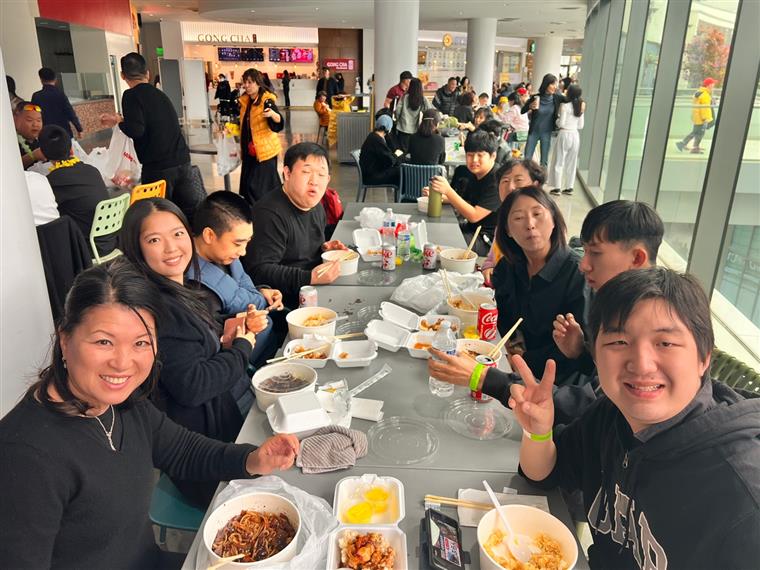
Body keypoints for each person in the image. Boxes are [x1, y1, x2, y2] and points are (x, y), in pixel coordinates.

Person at [0, 259, 299, 568]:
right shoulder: (24, 456)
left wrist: (253, 459)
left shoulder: (122, 403)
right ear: (65, 340)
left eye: (141, 342)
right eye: (104, 341)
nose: (122, 363)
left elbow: (184, 451)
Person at [511, 267, 760, 568]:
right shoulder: (609, 416)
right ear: (595, 355)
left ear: (704, 358)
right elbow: (545, 474)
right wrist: (537, 431)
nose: (642, 365)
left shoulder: (743, 496)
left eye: (665, 343)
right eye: (619, 342)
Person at [120, 198, 262, 504]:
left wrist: (224, 332)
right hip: (207, 458)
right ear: (137, 248)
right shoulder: (159, 308)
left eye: (177, 234)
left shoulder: (178, 289)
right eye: (154, 240)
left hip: (221, 427)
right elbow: (194, 386)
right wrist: (242, 346)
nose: (171, 248)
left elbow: (190, 349)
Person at [478, 188, 585, 381]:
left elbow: (579, 351)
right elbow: (502, 316)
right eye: (518, 218)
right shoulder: (509, 265)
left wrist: (522, 359)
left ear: (554, 220)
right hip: (508, 363)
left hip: (558, 381)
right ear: (507, 230)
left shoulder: (578, 275)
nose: (530, 225)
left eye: (537, 214)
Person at [242, 142, 348, 308]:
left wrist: (325, 248)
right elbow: (259, 270)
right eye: (306, 172)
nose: (314, 181)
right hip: (286, 305)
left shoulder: (315, 205)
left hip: (317, 291)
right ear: (287, 173)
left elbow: (301, 250)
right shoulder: (269, 214)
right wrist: (310, 277)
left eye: (321, 174)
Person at [186, 191, 285, 369]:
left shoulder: (223, 255)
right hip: (245, 364)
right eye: (238, 243)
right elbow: (211, 340)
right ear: (209, 235)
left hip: (270, 344)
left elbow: (239, 285)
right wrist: (245, 324)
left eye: (247, 242)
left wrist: (262, 292)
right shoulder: (193, 284)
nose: (243, 252)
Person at [100, 53, 200, 222]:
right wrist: (120, 120)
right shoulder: (159, 94)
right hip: (182, 160)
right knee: (187, 213)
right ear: (147, 73)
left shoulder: (130, 95)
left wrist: (119, 122)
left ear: (122, 75)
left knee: (158, 214)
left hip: (159, 167)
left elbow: (136, 130)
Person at [39, 124, 113, 255]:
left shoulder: (52, 181)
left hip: (87, 249)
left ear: (43, 154)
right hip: (112, 240)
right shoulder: (92, 170)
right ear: (71, 150)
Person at [425, 130, 501, 255]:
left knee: (439, 243)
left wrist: (448, 191)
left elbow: (474, 215)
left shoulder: (498, 180)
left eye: (480, 155)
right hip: (471, 229)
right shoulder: (475, 173)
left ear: (493, 156)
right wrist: (441, 196)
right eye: (470, 155)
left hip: (487, 241)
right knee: (434, 231)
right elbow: (467, 203)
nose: (474, 160)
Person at [237, 67, 284, 205]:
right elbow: (245, 123)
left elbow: (279, 124)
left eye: (250, 82)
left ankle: (262, 211)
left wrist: (273, 114)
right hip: (249, 151)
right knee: (250, 186)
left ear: (258, 83)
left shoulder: (266, 101)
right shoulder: (245, 101)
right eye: (245, 82)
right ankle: (259, 210)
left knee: (255, 186)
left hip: (264, 152)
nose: (246, 85)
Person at [547, 83, 585, 195]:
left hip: (564, 134)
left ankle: (557, 187)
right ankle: (569, 187)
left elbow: (561, 123)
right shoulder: (581, 107)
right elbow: (581, 125)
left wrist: (557, 120)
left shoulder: (564, 106)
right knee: (572, 162)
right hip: (575, 135)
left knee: (559, 161)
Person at [522, 73, 563, 168]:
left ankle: (542, 177)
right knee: (527, 159)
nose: (555, 87)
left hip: (547, 133)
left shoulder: (556, 98)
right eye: (552, 84)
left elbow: (570, 99)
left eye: (556, 84)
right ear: (546, 84)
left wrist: (582, 103)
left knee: (544, 162)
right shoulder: (536, 97)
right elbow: (522, 111)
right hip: (534, 132)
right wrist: (530, 106)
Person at [31, 67, 83, 139]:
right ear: (55, 79)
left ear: (41, 80)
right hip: (63, 132)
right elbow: (70, 112)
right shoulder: (60, 94)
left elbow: (33, 115)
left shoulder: (36, 96)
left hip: (46, 134)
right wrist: (79, 129)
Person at [359, 114, 402, 187]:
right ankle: (404, 193)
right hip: (371, 177)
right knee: (401, 171)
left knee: (398, 170)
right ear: (389, 128)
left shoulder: (373, 136)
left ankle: (400, 193)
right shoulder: (377, 140)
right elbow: (390, 161)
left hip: (370, 173)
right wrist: (396, 155)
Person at [676, 77, 717, 154]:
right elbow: (705, 108)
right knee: (699, 133)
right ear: (709, 85)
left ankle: (687, 145)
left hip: (697, 117)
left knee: (696, 132)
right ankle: (689, 146)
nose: (713, 85)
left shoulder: (699, 92)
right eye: (713, 84)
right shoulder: (705, 95)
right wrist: (706, 119)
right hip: (702, 118)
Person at [393, 77, 433, 153]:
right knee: (413, 151)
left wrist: (398, 120)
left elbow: (397, 111)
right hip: (415, 130)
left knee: (403, 152)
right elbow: (430, 112)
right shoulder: (422, 99)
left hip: (403, 129)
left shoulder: (404, 97)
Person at [14, 100, 45, 169]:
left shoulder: (42, 140)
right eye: (29, 120)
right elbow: (9, 167)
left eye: (39, 120)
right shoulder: (7, 140)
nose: (35, 124)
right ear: (15, 119)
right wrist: (33, 156)